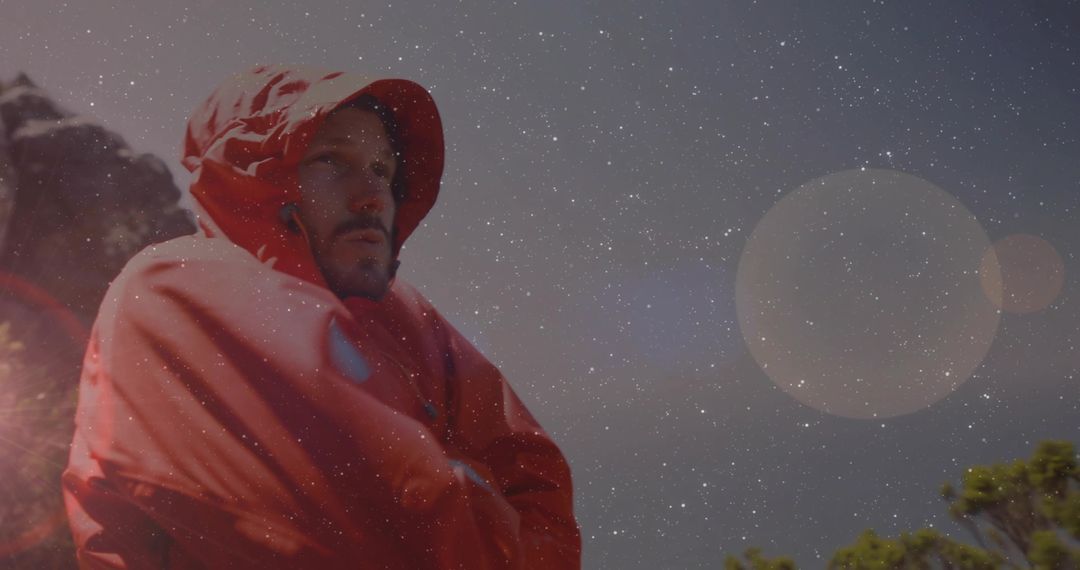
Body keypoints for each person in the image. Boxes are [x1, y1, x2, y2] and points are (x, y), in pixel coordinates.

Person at [62, 64, 582, 569]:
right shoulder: (176, 286)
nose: (373, 194)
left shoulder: (406, 316)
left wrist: (461, 499)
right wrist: (477, 495)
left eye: (383, 169)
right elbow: (379, 533)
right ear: (255, 173)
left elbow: (536, 481)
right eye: (333, 161)